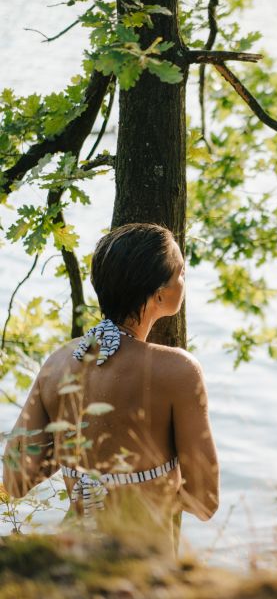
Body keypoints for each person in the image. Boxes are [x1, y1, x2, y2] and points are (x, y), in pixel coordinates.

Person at [1, 222, 219, 555]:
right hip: (140, 565)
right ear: (160, 293)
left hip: (70, 560)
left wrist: (79, 465)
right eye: (182, 274)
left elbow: (16, 480)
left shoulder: (58, 363)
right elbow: (205, 501)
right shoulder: (178, 371)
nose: (185, 283)